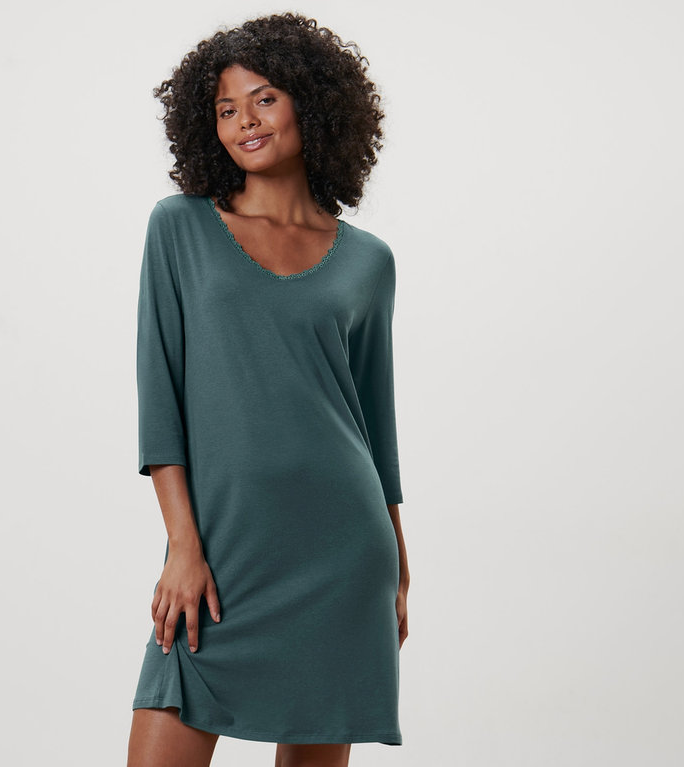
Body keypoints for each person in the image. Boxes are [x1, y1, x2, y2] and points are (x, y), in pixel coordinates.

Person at [127, 12, 411, 767]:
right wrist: (182, 546)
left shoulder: (369, 262)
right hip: (222, 550)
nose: (244, 122)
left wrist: (398, 561)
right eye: (226, 109)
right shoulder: (179, 228)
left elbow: (374, 422)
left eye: (264, 99)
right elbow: (160, 397)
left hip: (343, 554)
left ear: (311, 106)